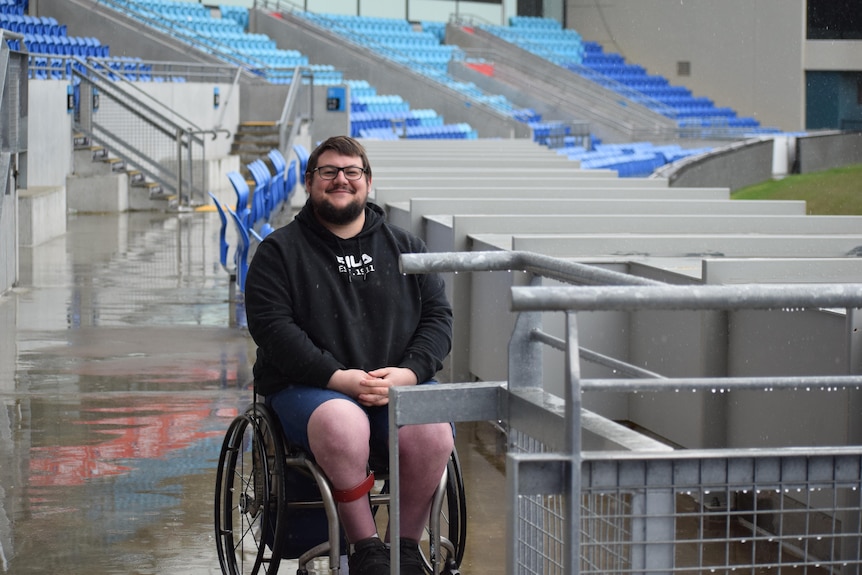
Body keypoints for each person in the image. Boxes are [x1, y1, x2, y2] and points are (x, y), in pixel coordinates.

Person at [244, 135, 454, 575]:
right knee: (344, 422)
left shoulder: (407, 249)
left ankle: (405, 546)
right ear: (309, 182)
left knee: (434, 429)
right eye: (328, 171)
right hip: (311, 389)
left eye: (351, 171)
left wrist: (408, 374)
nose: (341, 179)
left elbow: (438, 320)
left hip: (393, 384)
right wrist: (339, 378)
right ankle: (366, 549)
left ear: (367, 182)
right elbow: (274, 331)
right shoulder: (278, 252)